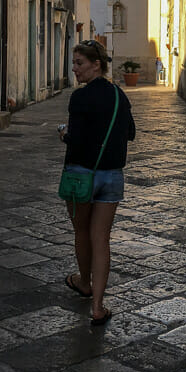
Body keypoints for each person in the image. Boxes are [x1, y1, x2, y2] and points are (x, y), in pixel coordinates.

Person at [59, 39, 135, 325]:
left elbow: (75, 139)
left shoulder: (79, 98)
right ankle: (98, 306)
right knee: (101, 239)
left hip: (81, 175)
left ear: (96, 65)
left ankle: (84, 282)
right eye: (74, 63)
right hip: (112, 175)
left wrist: (64, 135)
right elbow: (130, 133)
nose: (75, 69)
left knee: (82, 232)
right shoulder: (119, 95)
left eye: (79, 63)